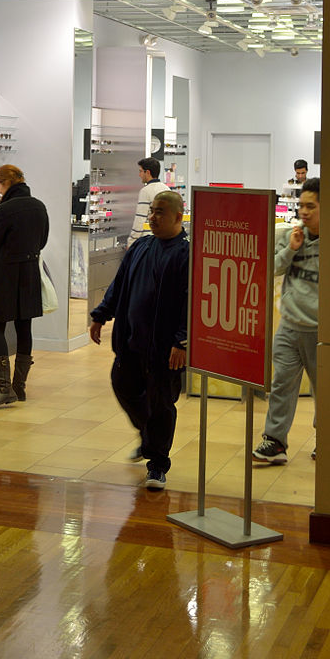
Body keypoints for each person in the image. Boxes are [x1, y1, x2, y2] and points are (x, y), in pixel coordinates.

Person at [89, 190, 189, 491]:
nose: (153, 217)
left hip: (164, 349)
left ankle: (157, 464)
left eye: (160, 212)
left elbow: (190, 302)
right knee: (123, 384)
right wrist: (100, 314)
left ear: (177, 216)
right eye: (151, 211)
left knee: (161, 405)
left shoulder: (185, 254)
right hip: (131, 342)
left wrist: (181, 342)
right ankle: (148, 437)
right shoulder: (141, 247)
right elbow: (119, 285)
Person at [252, 176, 320, 465]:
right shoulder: (293, 234)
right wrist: (291, 248)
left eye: (311, 206)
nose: (304, 212)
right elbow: (271, 269)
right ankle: (275, 441)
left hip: (321, 331)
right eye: (301, 205)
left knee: (326, 389)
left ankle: (329, 439)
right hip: (290, 326)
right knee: (281, 384)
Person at [0, 164, 49, 409]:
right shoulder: (39, 206)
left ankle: (2, 389)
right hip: (29, 273)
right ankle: (19, 386)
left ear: (5, 183)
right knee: (24, 326)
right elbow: (43, 240)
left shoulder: (6, 209)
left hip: (5, 274)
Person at [127, 157, 165, 246]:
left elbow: (140, 219)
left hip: (148, 241)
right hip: (162, 239)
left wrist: (131, 242)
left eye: (140, 171)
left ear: (147, 172)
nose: (139, 174)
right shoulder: (166, 189)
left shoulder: (146, 191)